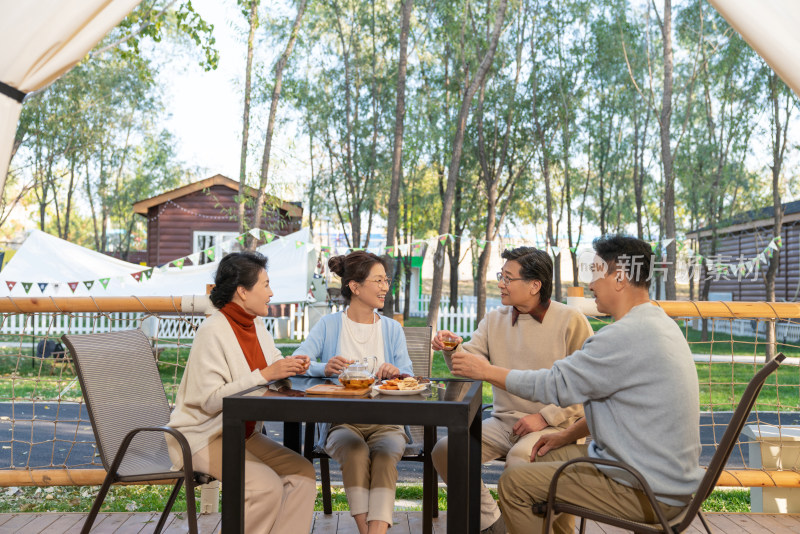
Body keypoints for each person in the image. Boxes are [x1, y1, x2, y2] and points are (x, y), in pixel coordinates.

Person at [449, 235, 704, 534]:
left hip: (644, 488)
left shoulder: (623, 336)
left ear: (619, 278)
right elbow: (609, 402)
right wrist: (566, 435)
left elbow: (555, 384)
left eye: (596, 273)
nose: (591, 284)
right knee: (529, 459)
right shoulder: (655, 323)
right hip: (652, 474)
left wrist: (488, 371)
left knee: (515, 485)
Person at [430, 246, 593, 534]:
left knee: (520, 460)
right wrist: (452, 346)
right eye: (500, 276)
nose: (500, 283)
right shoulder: (495, 320)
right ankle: (495, 523)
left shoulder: (571, 320)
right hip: (506, 422)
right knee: (445, 450)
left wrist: (544, 418)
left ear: (534, 285)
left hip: (557, 426)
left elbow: (587, 385)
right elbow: (468, 364)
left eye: (508, 277)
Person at [166, 251, 316, 534]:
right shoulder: (213, 331)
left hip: (241, 433)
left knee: (302, 474)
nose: (272, 292)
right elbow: (211, 401)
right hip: (202, 436)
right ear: (243, 292)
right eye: (266, 285)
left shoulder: (257, 325)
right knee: (265, 488)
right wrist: (267, 374)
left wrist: (289, 369)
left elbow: (271, 370)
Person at [293, 250, 414, 534]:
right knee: (356, 452)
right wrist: (325, 367)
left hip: (388, 423)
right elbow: (298, 363)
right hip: (341, 423)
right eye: (378, 280)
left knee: (385, 457)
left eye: (386, 280)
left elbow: (408, 374)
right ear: (355, 286)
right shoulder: (329, 325)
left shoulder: (392, 329)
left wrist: (395, 372)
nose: (385, 287)